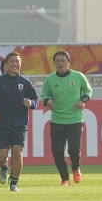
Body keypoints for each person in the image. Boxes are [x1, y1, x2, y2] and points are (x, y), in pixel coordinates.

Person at [0, 51, 39, 192]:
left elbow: (36, 100)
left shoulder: (26, 83)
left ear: (20, 64)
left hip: (19, 125)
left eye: (17, 61)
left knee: (17, 153)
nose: (15, 64)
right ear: (7, 65)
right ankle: (4, 168)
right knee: (2, 156)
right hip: (2, 124)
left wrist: (30, 103)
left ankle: (14, 183)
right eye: (12, 61)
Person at [41, 49, 93, 186]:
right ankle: (65, 178)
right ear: (54, 63)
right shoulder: (50, 79)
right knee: (57, 151)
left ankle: (75, 168)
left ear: (68, 63)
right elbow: (44, 95)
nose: (60, 63)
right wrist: (47, 102)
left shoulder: (78, 76)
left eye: (63, 60)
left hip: (75, 120)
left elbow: (88, 91)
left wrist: (83, 100)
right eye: (57, 61)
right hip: (57, 120)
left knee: (74, 150)